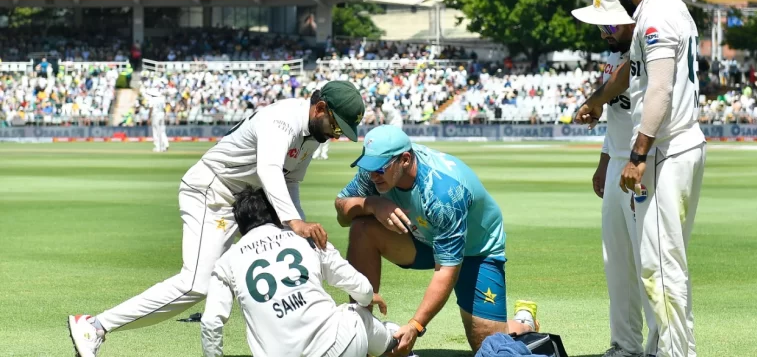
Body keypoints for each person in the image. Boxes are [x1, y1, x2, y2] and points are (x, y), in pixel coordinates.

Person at [67, 81, 366, 357]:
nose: (334, 136)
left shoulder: (313, 135)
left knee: (298, 251)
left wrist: (299, 229)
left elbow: (290, 183)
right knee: (195, 284)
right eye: (335, 127)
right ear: (320, 108)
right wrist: (293, 223)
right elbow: (269, 170)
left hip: (244, 201)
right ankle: (94, 326)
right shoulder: (283, 118)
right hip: (210, 190)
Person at [577, 0, 707, 356]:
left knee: (660, 268)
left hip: (664, 152)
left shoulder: (655, 15)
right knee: (660, 264)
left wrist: (636, 155)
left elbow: (661, 90)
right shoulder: (669, 7)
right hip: (668, 150)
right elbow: (634, 76)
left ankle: (675, 353)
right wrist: (599, 102)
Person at [334, 125, 539, 355]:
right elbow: (342, 212)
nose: (372, 175)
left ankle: (524, 322)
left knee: (488, 345)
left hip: (476, 249)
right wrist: (372, 204)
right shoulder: (375, 168)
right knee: (362, 226)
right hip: (423, 236)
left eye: (379, 169)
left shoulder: (442, 193)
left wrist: (415, 326)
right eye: (368, 167)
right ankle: (361, 327)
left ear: (404, 159)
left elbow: (446, 270)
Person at [201, 187, 398, 357]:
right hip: (338, 347)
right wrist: (368, 297)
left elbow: (210, 322)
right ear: (278, 213)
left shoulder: (226, 261)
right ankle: (394, 344)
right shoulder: (305, 237)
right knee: (357, 314)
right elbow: (360, 287)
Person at [571, 0, 657, 357]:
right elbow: (616, 120)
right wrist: (604, 163)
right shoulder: (612, 59)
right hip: (617, 165)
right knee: (616, 261)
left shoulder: (645, 54)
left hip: (642, 166)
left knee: (648, 261)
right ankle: (625, 345)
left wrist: (629, 160)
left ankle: (660, 347)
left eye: (608, 26)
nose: (602, 33)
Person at [145, 87, 169, 153]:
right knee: (162, 131)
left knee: (155, 131)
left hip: (155, 115)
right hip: (162, 114)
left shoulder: (152, 99)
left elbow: (151, 108)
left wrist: (149, 118)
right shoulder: (161, 99)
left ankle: (158, 147)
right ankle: (164, 145)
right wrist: (165, 115)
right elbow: (164, 109)